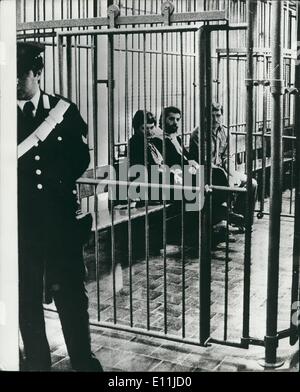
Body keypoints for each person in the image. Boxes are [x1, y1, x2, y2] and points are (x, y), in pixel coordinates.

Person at [17, 41, 103, 371]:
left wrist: (53, 183)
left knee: (70, 295)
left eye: (19, 77)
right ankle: (37, 361)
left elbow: (80, 157)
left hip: (60, 223)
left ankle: (81, 358)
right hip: (21, 224)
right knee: (26, 296)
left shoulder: (63, 111)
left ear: (37, 73)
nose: (11, 84)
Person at [189, 102, 257, 227]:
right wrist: (227, 176)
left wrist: (232, 175)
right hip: (205, 173)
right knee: (224, 182)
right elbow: (204, 161)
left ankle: (243, 221)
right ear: (205, 117)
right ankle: (228, 217)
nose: (215, 119)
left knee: (251, 183)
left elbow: (228, 157)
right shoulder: (198, 134)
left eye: (218, 115)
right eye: (211, 116)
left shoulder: (224, 131)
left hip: (222, 170)